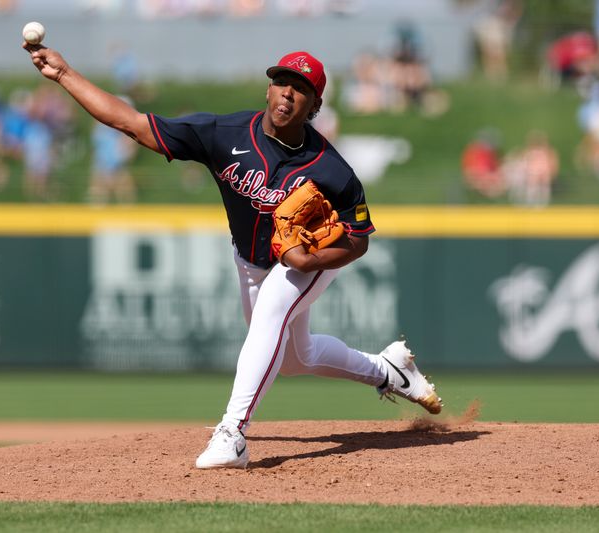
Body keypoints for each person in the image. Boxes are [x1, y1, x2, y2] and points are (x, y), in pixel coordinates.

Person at [23, 43, 443, 469]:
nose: (286, 94)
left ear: (315, 104)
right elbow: (130, 123)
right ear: (267, 89)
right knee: (298, 358)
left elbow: (359, 238)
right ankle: (389, 370)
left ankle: (232, 433)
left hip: (310, 260)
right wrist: (63, 74)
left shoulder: (332, 170)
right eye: (281, 82)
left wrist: (312, 262)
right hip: (251, 261)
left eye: (300, 88)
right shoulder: (224, 134)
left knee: (270, 315)